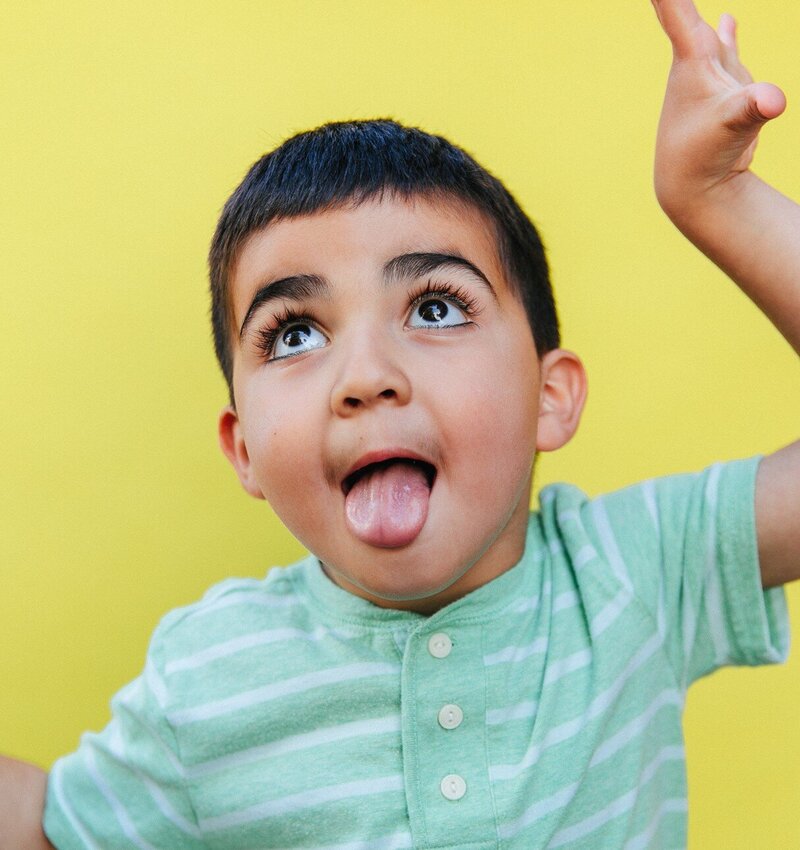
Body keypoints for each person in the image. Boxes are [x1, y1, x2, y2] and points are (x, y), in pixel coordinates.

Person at [2, 0, 798, 846]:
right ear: (244, 451)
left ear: (549, 396)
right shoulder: (208, 675)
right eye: (295, 333)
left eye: (435, 307)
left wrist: (720, 199)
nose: (368, 378)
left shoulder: (632, 574)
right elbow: (46, 828)